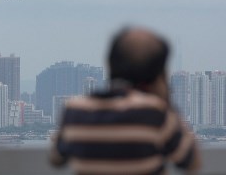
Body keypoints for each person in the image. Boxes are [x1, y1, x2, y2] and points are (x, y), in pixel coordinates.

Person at [50, 27, 201, 175]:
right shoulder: (154, 113)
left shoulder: (75, 109)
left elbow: (56, 159)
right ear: (158, 74)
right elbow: (190, 162)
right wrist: (167, 101)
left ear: (110, 63)